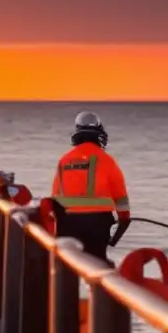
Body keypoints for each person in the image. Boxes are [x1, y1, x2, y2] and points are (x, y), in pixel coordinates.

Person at [49, 111, 131, 261]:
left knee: (67, 269)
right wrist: (124, 219)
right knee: (97, 266)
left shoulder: (64, 160)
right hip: (97, 225)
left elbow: (55, 197)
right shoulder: (106, 160)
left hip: (67, 224)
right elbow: (120, 196)